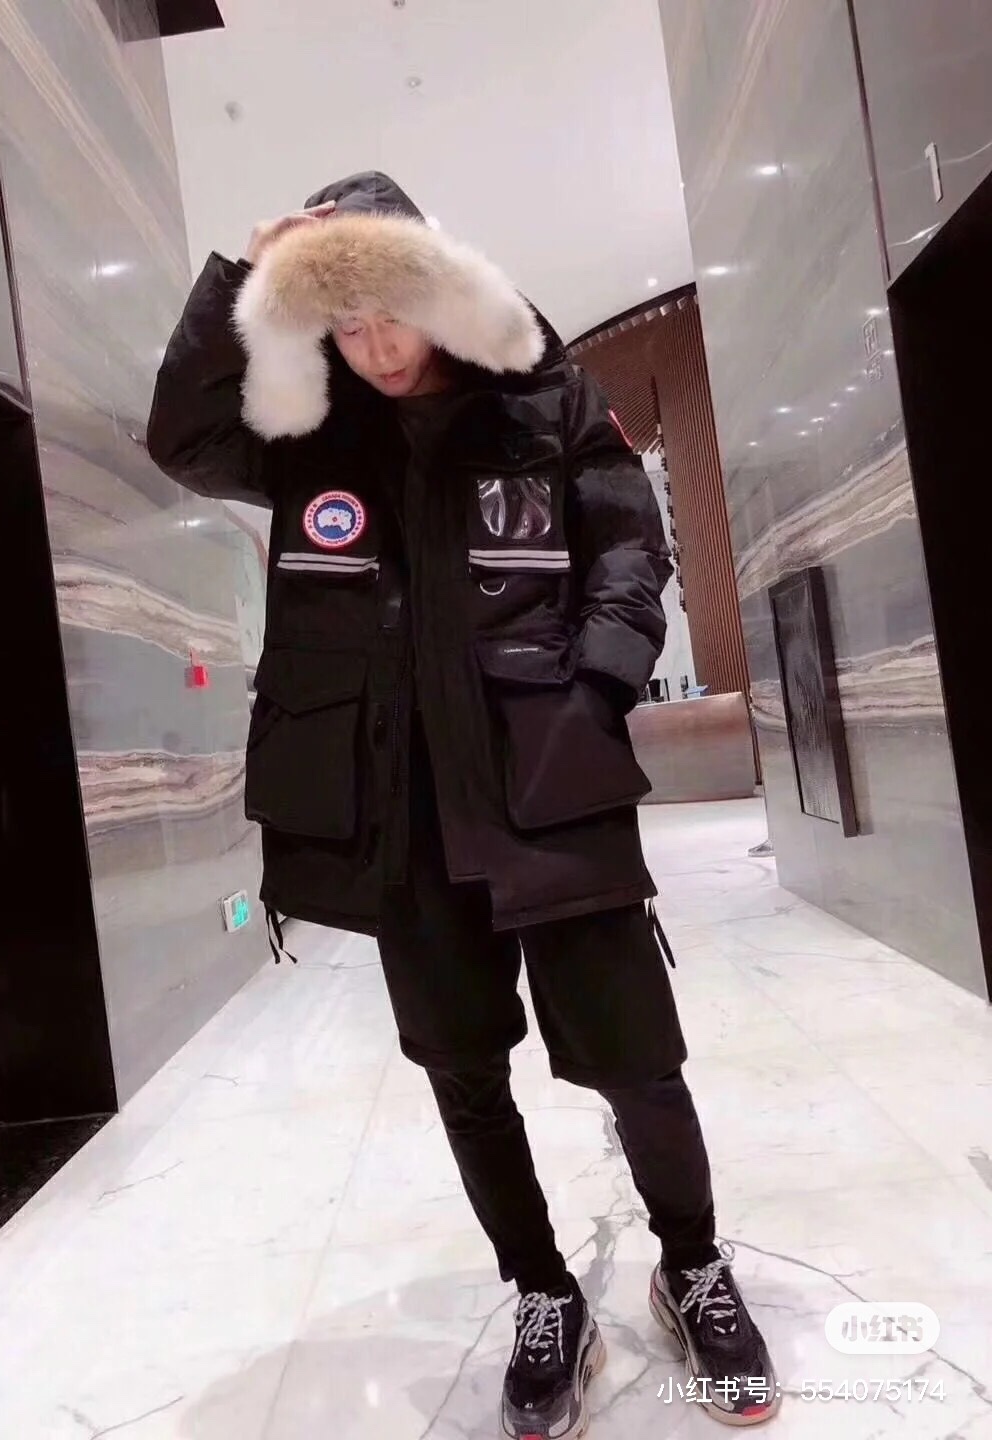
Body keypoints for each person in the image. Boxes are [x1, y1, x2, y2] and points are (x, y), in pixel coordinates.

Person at [147, 172, 778, 1436]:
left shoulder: (541, 393)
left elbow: (627, 541)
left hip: (547, 778)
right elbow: (179, 438)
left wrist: (598, 684)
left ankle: (692, 1262)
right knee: (461, 1070)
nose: (376, 348)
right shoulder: (309, 432)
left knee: (637, 1058)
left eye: (392, 312)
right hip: (403, 810)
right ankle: (542, 1291)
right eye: (346, 325)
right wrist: (245, 276)